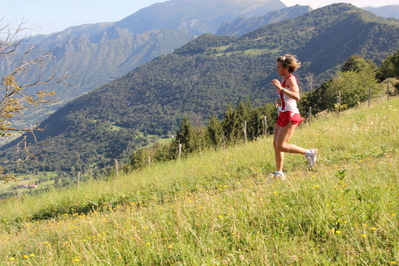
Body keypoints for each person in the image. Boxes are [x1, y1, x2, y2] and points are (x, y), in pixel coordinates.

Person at [271, 54, 317, 179]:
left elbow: (297, 96)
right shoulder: (284, 79)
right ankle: (279, 172)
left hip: (290, 114)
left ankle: (309, 152)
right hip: (283, 113)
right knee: (276, 145)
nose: (277, 70)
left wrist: (281, 88)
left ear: (286, 68)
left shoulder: (291, 79)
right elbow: (286, 96)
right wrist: (279, 101)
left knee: (281, 145)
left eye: (279, 67)